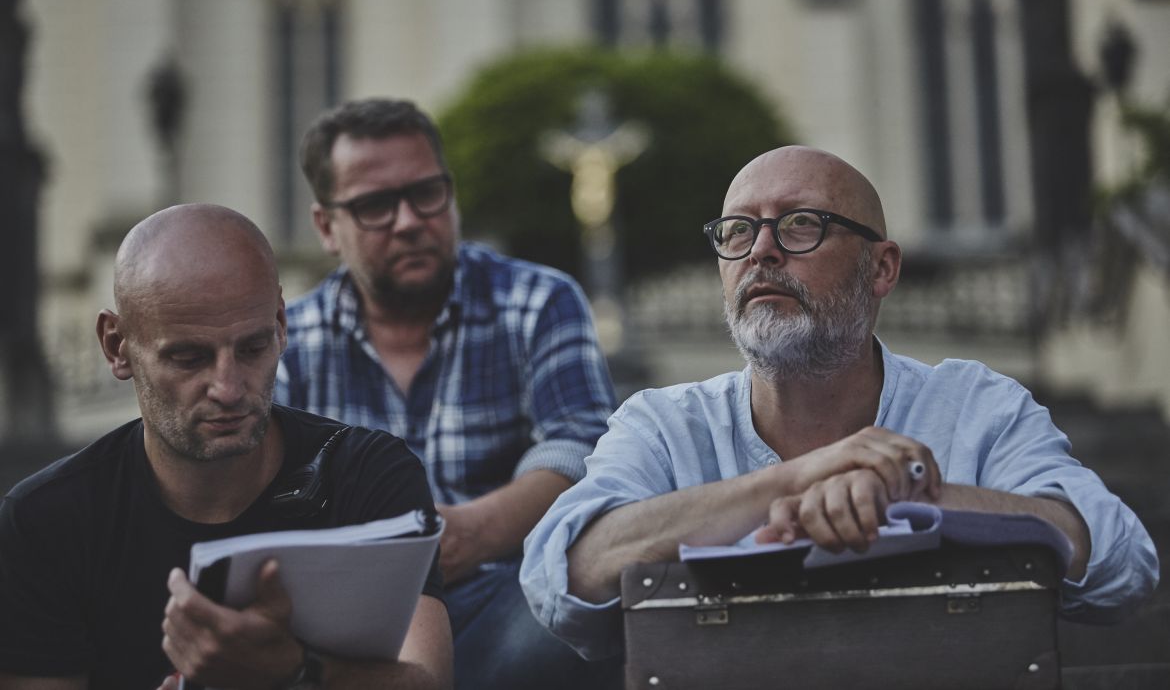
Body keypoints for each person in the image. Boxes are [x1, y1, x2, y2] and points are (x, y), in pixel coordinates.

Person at [520, 145, 1160, 660]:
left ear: (881, 268)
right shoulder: (662, 425)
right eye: (738, 231)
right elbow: (562, 578)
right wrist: (797, 481)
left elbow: (1121, 561)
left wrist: (903, 497)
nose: (761, 250)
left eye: (802, 223)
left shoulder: (977, 406)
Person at [0, 204, 452, 690]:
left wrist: (293, 671)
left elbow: (429, 681)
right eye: (188, 357)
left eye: (252, 348)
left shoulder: (366, 475)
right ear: (117, 346)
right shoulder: (47, 521)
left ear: (281, 324)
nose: (229, 388)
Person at [276, 98, 619, 689]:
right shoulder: (289, 345)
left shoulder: (538, 301)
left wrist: (471, 532)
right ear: (327, 227)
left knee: (577, 632)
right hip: (347, 615)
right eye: (376, 205)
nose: (410, 221)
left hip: (504, 593)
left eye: (426, 193)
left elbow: (586, 444)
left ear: (451, 194)